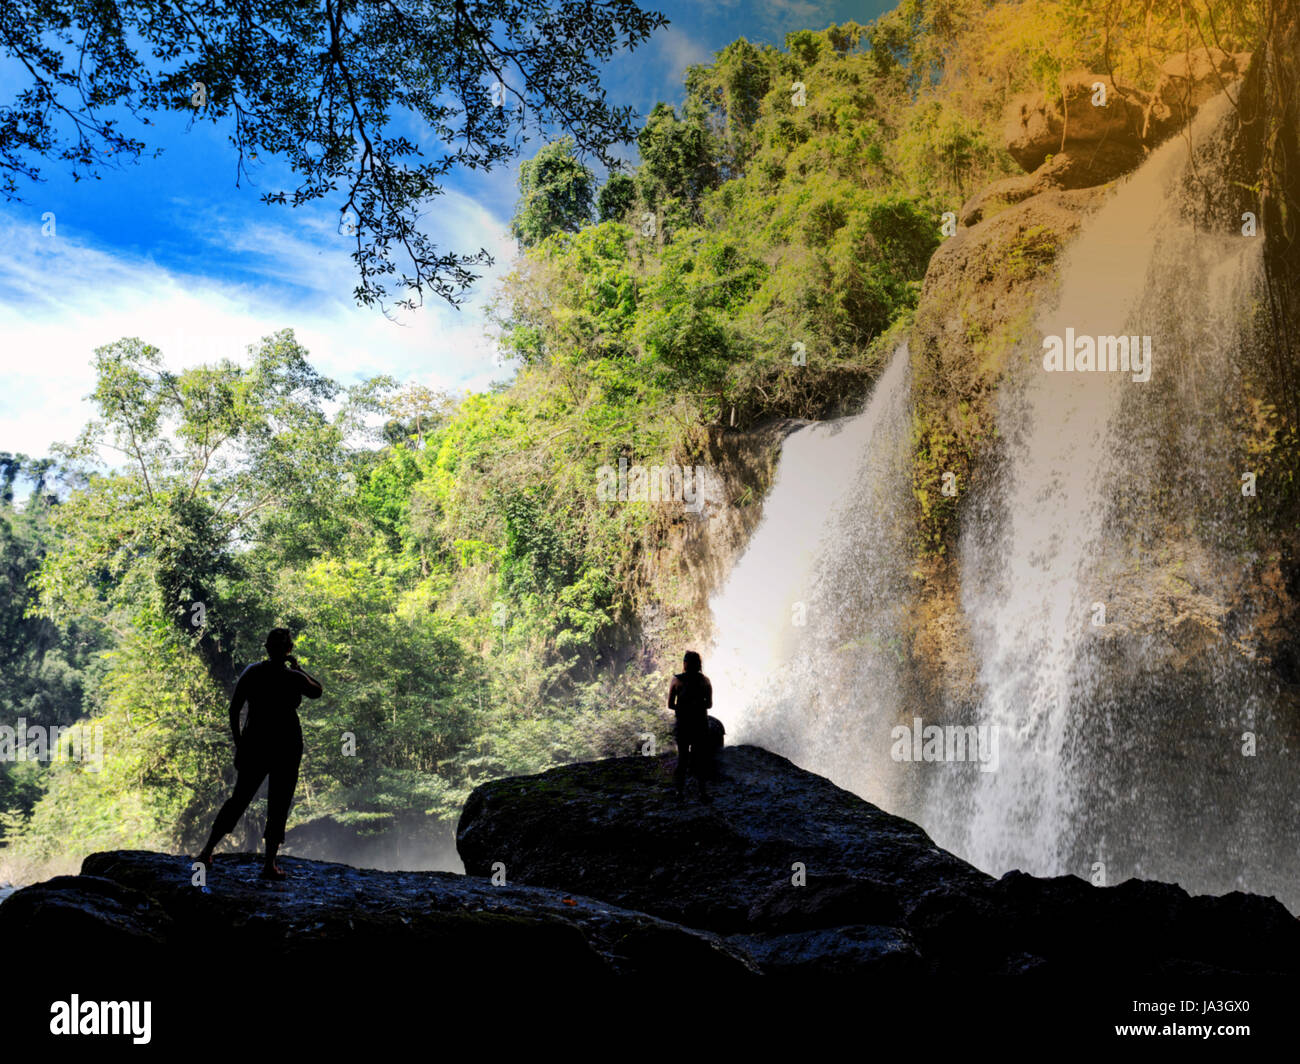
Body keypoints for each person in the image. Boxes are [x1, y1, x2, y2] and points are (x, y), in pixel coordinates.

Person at [196, 628, 322, 880]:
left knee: (240, 798)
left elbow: (234, 710)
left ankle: (206, 851)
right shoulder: (292, 677)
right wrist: (297, 668)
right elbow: (317, 690)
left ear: (266, 648)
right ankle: (269, 865)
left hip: (256, 742)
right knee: (279, 801)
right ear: (289, 650)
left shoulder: (253, 672)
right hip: (286, 744)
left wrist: (240, 743)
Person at [667, 650, 713, 802]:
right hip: (700, 724)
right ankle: (703, 793)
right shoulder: (705, 681)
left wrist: (684, 708)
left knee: (683, 760)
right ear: (699, 664)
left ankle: (679, 793)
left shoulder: (676, 680)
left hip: (683, 725)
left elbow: (670, 705)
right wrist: (696, 706)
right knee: (700, 760)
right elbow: (709, 704)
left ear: (685, 664)